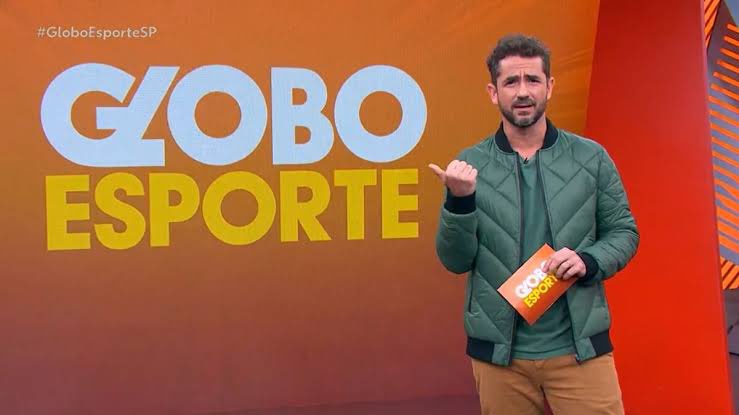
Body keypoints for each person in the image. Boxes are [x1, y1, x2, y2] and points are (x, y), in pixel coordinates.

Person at [429, 34, 639, 415]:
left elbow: (624, 232)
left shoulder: (591, 158)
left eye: (533, 80)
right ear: (493, 93)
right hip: (501, 359)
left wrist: (588, 261)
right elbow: (455, 260)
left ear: (549, 86)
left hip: (579, 350)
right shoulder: (469, 165)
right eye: (511, 82)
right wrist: (459, 200)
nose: (523, 92)